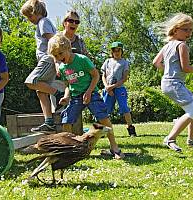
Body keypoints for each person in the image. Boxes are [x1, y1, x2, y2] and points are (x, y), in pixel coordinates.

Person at [48, 33, 125, 159]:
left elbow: (96, 76)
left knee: (103, 119)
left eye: (60, 53)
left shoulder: (82, 60)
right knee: (66, 121)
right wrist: (67, 97)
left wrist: (89, 92)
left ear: (68, 47)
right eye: (55, 56)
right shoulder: (62, 68)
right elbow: (68, 84)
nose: (59, 57)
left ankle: (114, 147)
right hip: (76, 97)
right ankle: (69, 149)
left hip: (91, 93)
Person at [152, 13, 193, 152]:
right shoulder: (182, 46)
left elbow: (156, 62)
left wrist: (168, 71)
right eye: (185, 29)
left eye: (191, 30)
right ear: (176, 29)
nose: (189, 33)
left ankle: (192, 139)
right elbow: (186, 68)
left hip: (167, 83)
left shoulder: (167, 46)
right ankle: (170, 139)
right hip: (174, 84)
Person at [20, 0, 64, 132]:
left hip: (48, 59)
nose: (29, 20)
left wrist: (57, 60)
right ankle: (48, 122)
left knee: (31, 81)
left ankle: (58, 93)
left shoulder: (43, 22)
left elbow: (53, 41)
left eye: (29, 16)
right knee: (41, 90)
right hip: (46, 60)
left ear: (36, 13)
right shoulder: (44, 22)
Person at [101, 41, 137, 137]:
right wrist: (107, 87)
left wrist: (112, 87)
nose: (116, 52)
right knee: (105, 110)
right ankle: (104, 131)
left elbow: (124, 78)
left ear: (121, 51)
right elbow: (103, 76)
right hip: (108, 89)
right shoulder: (107, 61)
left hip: (119, 88)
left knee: (124, 107)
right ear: (111, 52)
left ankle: (131, 128)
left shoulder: (124, 62)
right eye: (114, 50)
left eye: (118, 50)